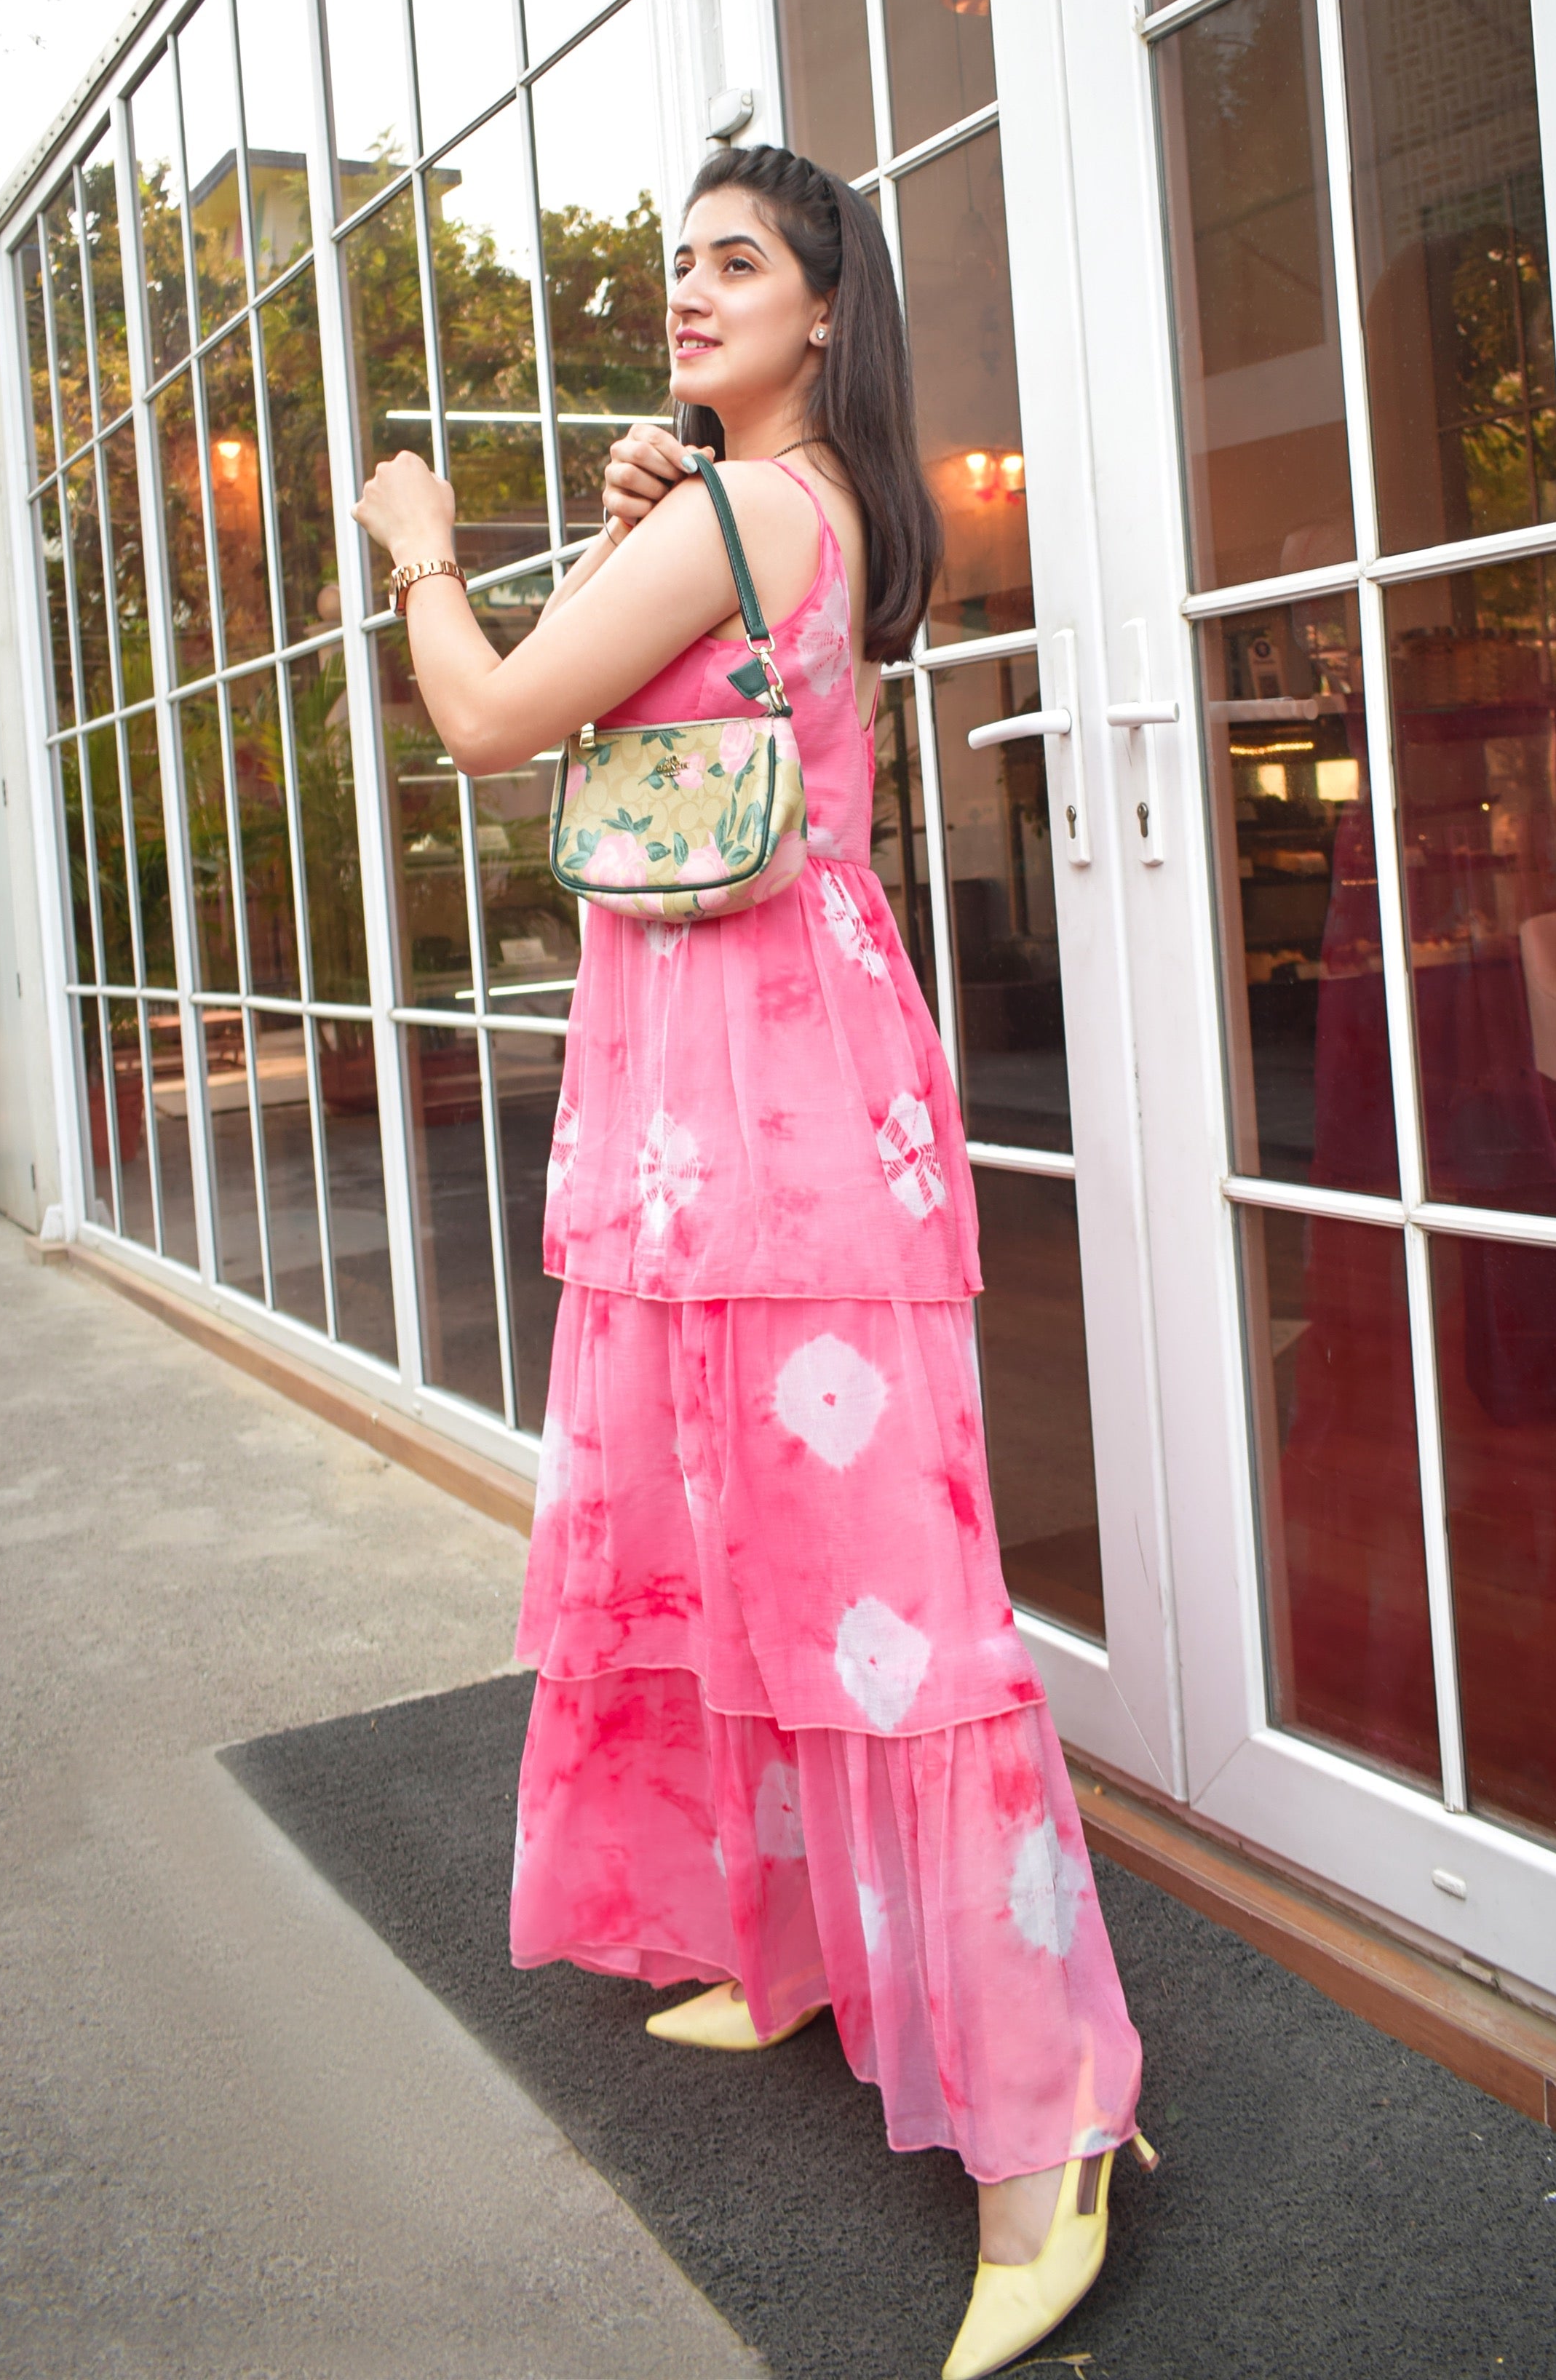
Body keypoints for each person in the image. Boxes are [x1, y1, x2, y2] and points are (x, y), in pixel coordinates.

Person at [348, 141, 1148, 2377]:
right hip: (744, 1114)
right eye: (674, 261)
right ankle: (797, 1944)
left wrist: (420, 556)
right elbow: (670, 686)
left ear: (822, 311)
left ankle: (1051, 2115)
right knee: (756, 1557)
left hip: (765, 1127)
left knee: (890, 1607)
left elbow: (501, 717)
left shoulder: (751, 511)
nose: (687, 291)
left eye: (735, 265)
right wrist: (650, 500)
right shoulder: (784, 511)